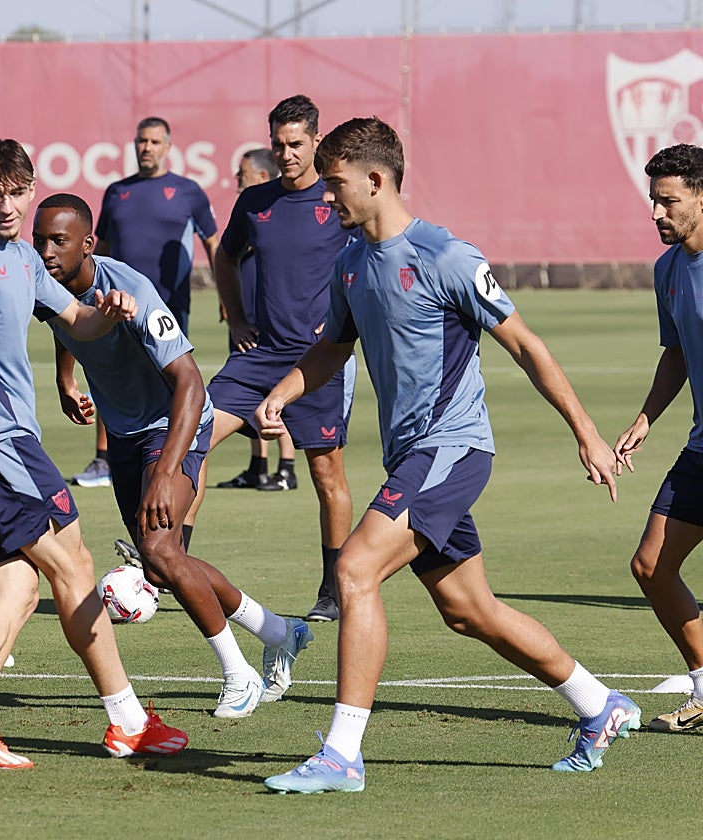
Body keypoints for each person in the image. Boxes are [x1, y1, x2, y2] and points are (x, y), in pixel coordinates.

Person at [255, 117, 640, 793]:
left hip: (452, 450)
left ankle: (341, 755)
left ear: (377, 180)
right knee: (468, 610)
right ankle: (598, 703)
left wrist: (585, 431)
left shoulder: (446, 255)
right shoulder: (351, 261)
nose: (326, 196)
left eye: (336, 183)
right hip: (412, 457)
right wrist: (284, 392)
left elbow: (525, 344)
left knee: (354, 569)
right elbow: (333, 348)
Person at [0, 138, 189, 769]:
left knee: (19, 584)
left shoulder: (23, 257)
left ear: (30, 190)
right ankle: (127, 722)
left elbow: (76, 320)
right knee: (73, 563)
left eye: (15, 194)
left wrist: (111, 313)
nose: (5, 207)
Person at [35, 192, 315, 718]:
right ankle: (280, 632)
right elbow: (64, 320)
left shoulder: (132, 291)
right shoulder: (46, 283)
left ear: (88, 244)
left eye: (58, 241)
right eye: (40, 240)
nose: (46, 251)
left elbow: (189, 380)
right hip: (124, 434)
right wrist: (64, 377)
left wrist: (166, 472)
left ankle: (239, 676)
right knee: (161, 565)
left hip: (174, 424)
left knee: (161, 550)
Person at [191, 96, 357, 622]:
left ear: (316, 141)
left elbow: (372, 259)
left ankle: (334, 589)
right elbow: (225, 257)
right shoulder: (255, 202)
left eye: (296, 144)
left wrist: (347, 323)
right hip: (258, 356)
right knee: (193, 436)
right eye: (278, 145)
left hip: (317, 361)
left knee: (326, 474)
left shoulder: (337, 200)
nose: (286, 154)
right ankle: (168, 564)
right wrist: (237, 318)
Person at [71, 116, 221, 490]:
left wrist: (225, 295)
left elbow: (213, 242)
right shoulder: (116, 192)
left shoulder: (188, 191)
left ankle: (171, 456)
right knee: (108, 376)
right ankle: (104, 458)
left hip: (166, 309)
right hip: (114, 310)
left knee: (171, 382)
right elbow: (100, 251)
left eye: (154, 142)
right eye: (142, 141)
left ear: (168, 147)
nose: (147, 148)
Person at [613, 142, 703, 733]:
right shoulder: (667, 270)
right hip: (701, 448)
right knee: (651, 565)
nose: (656, 212)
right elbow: (676, 353)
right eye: (653, 200)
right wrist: (646, 418)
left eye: (668, 201)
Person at [215, 147, 298, 493]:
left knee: (280, 392)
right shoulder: (251, 207)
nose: (237, 177)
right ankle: (258, 466)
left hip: (273, 321)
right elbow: (226, 256)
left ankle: (287, 467)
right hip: (246, 317)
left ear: (262, 175)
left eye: (243, 172)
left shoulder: (274, 211)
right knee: (249, 394)